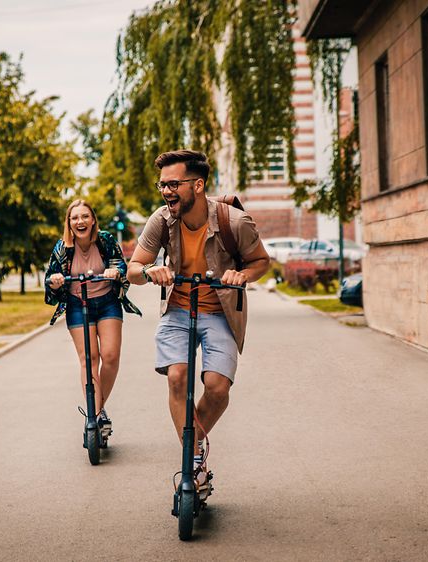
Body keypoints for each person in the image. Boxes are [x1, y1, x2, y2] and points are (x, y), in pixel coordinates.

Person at [127, 149, 270, 489]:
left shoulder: (234, 222)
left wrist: (242, 275)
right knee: (177, 377)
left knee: (217, 388)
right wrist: (150, 271)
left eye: (174, 184)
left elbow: (261, 261)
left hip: (220, 311)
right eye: (162, 185)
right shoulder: (160, 220)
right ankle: (193, 463)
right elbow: (133, 269)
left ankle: (192, 447)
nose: (166, 192)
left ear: (198, 184)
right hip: (177, 308)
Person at [46, 199, 141, 434]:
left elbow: (122, 267)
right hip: (79, 304)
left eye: (85, 216)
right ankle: (95, 418)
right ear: (69, 223)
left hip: (107, 302)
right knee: (89, 359)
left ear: (93, 220)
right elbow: (50, 283)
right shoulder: (62, 248)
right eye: (75, 217)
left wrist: (115, 271)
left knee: (110, 356)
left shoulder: (105, 240)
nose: (80, 221)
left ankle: (97, 409)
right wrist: (56, 283)